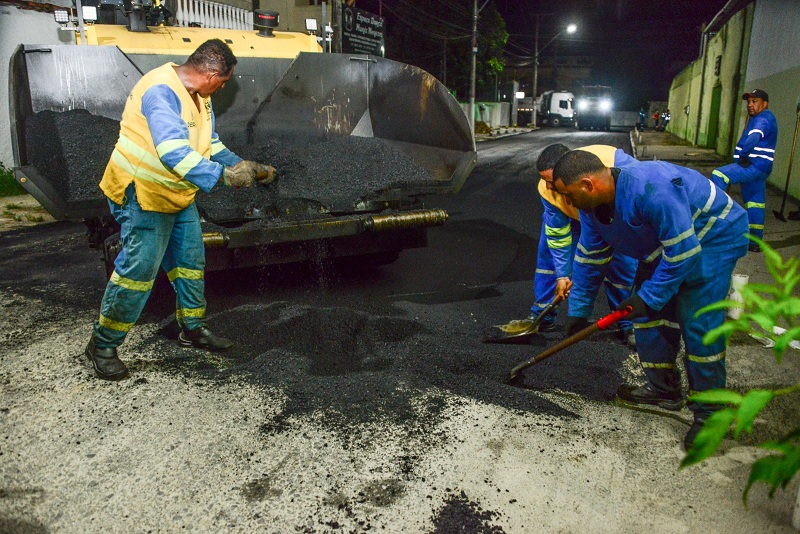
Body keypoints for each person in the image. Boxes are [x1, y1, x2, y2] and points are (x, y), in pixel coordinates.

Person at [85, 39, 276, 381]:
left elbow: (209, 143)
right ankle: (102, 345)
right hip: (142, 193)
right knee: (137, 272)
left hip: (177, 194)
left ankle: (192, 328)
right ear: (211, 75)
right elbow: (173, 151)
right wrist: (224, 177)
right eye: (223, 82)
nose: (221, 89)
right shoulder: (161, 91)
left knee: (190, 262)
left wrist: (243, 164)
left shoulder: (200, 97)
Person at [551, 150, 749, 449]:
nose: (567, 203)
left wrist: (652, 295)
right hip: (664, 246)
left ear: (588, 185)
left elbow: (683, 252)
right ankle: (664, 390)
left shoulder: (652, 188)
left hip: (712, 238)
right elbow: (591, 257)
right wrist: (578, 311)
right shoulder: (592, 209)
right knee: (647, 317)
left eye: (568, 195)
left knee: (698, 324)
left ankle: (710, 415)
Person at [531, 144, 637, 346]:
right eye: (544, 181)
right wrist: (563, 274)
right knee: (549, 259)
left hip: (608, 215)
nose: (549, 187)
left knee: (622, 269)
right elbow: (558, 234)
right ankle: (543, 315)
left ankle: (627, 323)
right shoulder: (547, 189)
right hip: (576, 218)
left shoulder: (618, 165)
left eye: (552, 181)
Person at [710, 89, 778, 250]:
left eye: (755, 101)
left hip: (753, 166)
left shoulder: (763, 118)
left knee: (719, 174)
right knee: (755, 203)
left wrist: (743, 156)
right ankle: (755, 242)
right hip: (761, 168)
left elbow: (754, 137)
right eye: (749, 102)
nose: (750, 105)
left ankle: (716, 220)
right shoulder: (761, 118)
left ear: (765, 103)